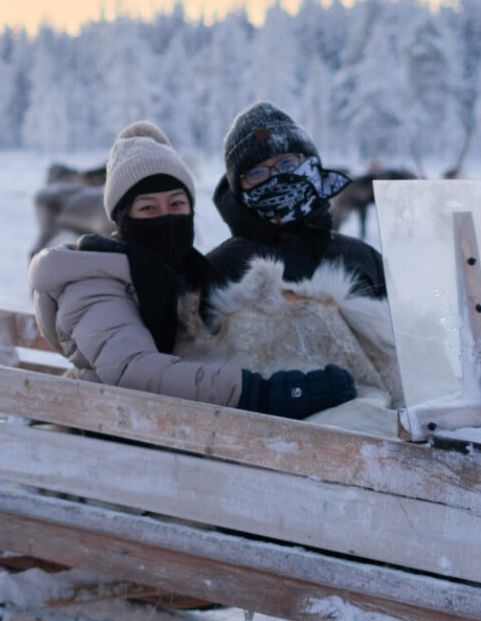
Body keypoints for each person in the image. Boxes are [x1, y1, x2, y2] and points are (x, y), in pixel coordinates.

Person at [28, 121, 357, 420]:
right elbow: (135, 369)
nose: (166, 217)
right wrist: (263, 392)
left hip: (170, 427)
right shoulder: (94, 283)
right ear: (122, 218)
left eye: (176, 204)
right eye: (147, 208)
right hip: (112, 432)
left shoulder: (192, 273)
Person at [207, 102, 386, 297]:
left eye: (287, 162)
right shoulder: (217, 271)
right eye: (257, 173)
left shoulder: (364, 259)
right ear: (239, 190)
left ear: (311, 165)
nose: (276, 177)